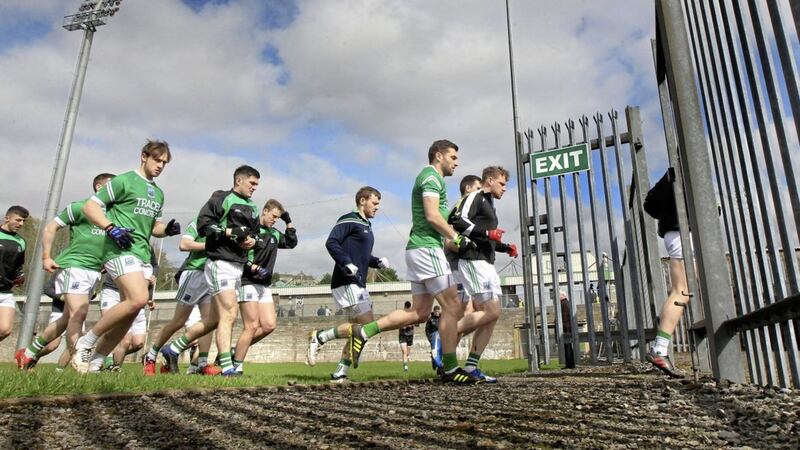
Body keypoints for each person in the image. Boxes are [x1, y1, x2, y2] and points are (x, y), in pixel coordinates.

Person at [346, 140, 482, 384]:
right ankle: (450, 368)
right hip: (426, 249)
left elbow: (437, 218)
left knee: (420, 312)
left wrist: (458, 239)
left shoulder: (431, 178)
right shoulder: (432, 177)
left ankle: (364, 331)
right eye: (453, 157)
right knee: (452, 307)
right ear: (439, 156)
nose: (456, 163)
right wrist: (455, 237)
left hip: (419, 249)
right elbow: (431, 215)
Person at [72, 141, 181, 374]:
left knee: (129, 314)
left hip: (141, 253)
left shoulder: (158, 193)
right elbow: (91, 208)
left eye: (164, 163)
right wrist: (111, 227)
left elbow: (155, 227)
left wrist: (167, 230)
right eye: (157, 159)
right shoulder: (123, 181)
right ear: (143, 156)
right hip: (118, 249)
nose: (160, 165)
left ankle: (96, 363)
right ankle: (86, 342)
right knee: (138, 299)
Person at [161, 165, 261, 376]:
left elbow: (255, 234)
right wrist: (229, 232)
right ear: (238, 181)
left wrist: (251, 240)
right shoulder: (221, 199)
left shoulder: (252, 206)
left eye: (257, 185)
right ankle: (227, 367)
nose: (254, 188)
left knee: (214, 320)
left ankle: (173, 349)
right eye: (252, 183)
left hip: (237, 266)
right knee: (230, 312)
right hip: (219, 263)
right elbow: (204, 225)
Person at [17, 174, 114, 369]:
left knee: (67, 319)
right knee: (80, 313)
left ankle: (28, 353)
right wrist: (46, 256)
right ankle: (79, 363)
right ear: (98, 187)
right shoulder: (80, 207)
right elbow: (51, 227)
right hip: (74, 266)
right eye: (111, 187)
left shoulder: (115, 215)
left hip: (94, 272)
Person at [305, 186, 389, 383]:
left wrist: (376, 262)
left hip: (358, 282)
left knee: (359, 329)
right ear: (362, 201)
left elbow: (361, 256)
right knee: (367, 325)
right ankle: (320, 337)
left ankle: (340, 372)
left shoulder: (366, 224)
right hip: (346, 280)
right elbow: (331, 242)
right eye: (374, 203)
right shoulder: (349, 219)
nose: (377, 207)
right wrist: (345, 262)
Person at [448, 166, 517, 383]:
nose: (505, 189)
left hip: (486, 262)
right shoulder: (475, 196)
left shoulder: (490, 204)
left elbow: (486, 238)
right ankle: (446, 335)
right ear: (489, 180)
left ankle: (471, 366)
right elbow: (456, 220)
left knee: (492, 317)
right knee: (491, 311)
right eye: (502, 183)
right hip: (473, 261)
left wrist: (506, 248)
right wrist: (488, 233)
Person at [143, 218, 221, 376]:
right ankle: (150, 357)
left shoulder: (226, 227)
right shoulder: (200, 222)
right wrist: (209, 246)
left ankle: (201, 364)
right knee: (178, 321)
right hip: (194, 274)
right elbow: (184, 245)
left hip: (211, 276)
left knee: (210, 322)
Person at [232, 198, 297, 375]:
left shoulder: (274, 233)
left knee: (269, 325)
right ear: (265, 211)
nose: (274, 220)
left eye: (278, 218)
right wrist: (255, 268)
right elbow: (238, 256)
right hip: (248, 282)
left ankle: (236, 350)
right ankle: (236, 367)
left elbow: (291, 243)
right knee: (251, 326)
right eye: (273, 216)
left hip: (264, 285)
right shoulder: (251, 230)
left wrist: (288, 221)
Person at [643, 170, 688, 378]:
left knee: (683, 291)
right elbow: (649, 204)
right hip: (682, 232)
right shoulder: (679, 173)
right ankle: (660, 349)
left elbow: (650, 204)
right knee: (681, 292)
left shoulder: (671, 175)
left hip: (675, 233)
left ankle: (660, 348)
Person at [99, 249, 158, 370]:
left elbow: (153, 268)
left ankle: (113, 368)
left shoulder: (146, 247)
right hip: (112, 290)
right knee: (115, 332)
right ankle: (103, 360)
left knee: (133, 342)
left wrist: (149, 295)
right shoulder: (119, 239)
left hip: (132, 294)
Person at [0, 205, 28, 343]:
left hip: (5, 291)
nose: (21, 224)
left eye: (23, 221)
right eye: (18, 220)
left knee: (5, 329)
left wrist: (19, 276)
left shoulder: (21, 242)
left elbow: (18, 265)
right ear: (7, 218)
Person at [559, 291, 576, 369]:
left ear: (563, 295)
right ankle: (569, 364)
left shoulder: (564, 304)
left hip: (566, 328)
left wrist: (562, 328)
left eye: (559, 295)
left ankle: (570, 364)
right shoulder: (565, 303)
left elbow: (564, 317)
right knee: (567, 347)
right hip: (567, 328)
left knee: (567, 346)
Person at [398, 301, 414, 371]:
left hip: (410, 335)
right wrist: (404, 326)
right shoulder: (401, 315)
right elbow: (399, 325)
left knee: (407, 353)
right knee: (404, 352)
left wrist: (409, 325)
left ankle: (406, 360)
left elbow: (415, 324)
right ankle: (405, 367)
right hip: (402, 335)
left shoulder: (412, 315)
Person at [425, 304, 441, 371]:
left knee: (440, 352)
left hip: (441, 338)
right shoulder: (430, 319)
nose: (437, 312)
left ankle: (440, 367)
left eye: (438, 311)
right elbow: (427, 330)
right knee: (434, 352)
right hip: (433, 338)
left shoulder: (442, 318)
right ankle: (434, 362)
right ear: (434, 311)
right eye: (436, 311)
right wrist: (430, 338)